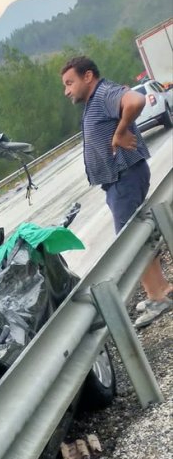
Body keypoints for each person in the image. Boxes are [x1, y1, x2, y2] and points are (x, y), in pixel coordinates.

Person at [61, 55, 172, 328]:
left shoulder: (103, 94)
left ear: (88, 76)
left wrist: (121, 132)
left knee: (129, 243)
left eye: (69, 83)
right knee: (135, 238)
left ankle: (159, 296)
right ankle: (160, 291)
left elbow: (135, 100)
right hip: (120, 181)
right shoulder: (95, 99)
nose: (67, 91)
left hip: (125, 178)